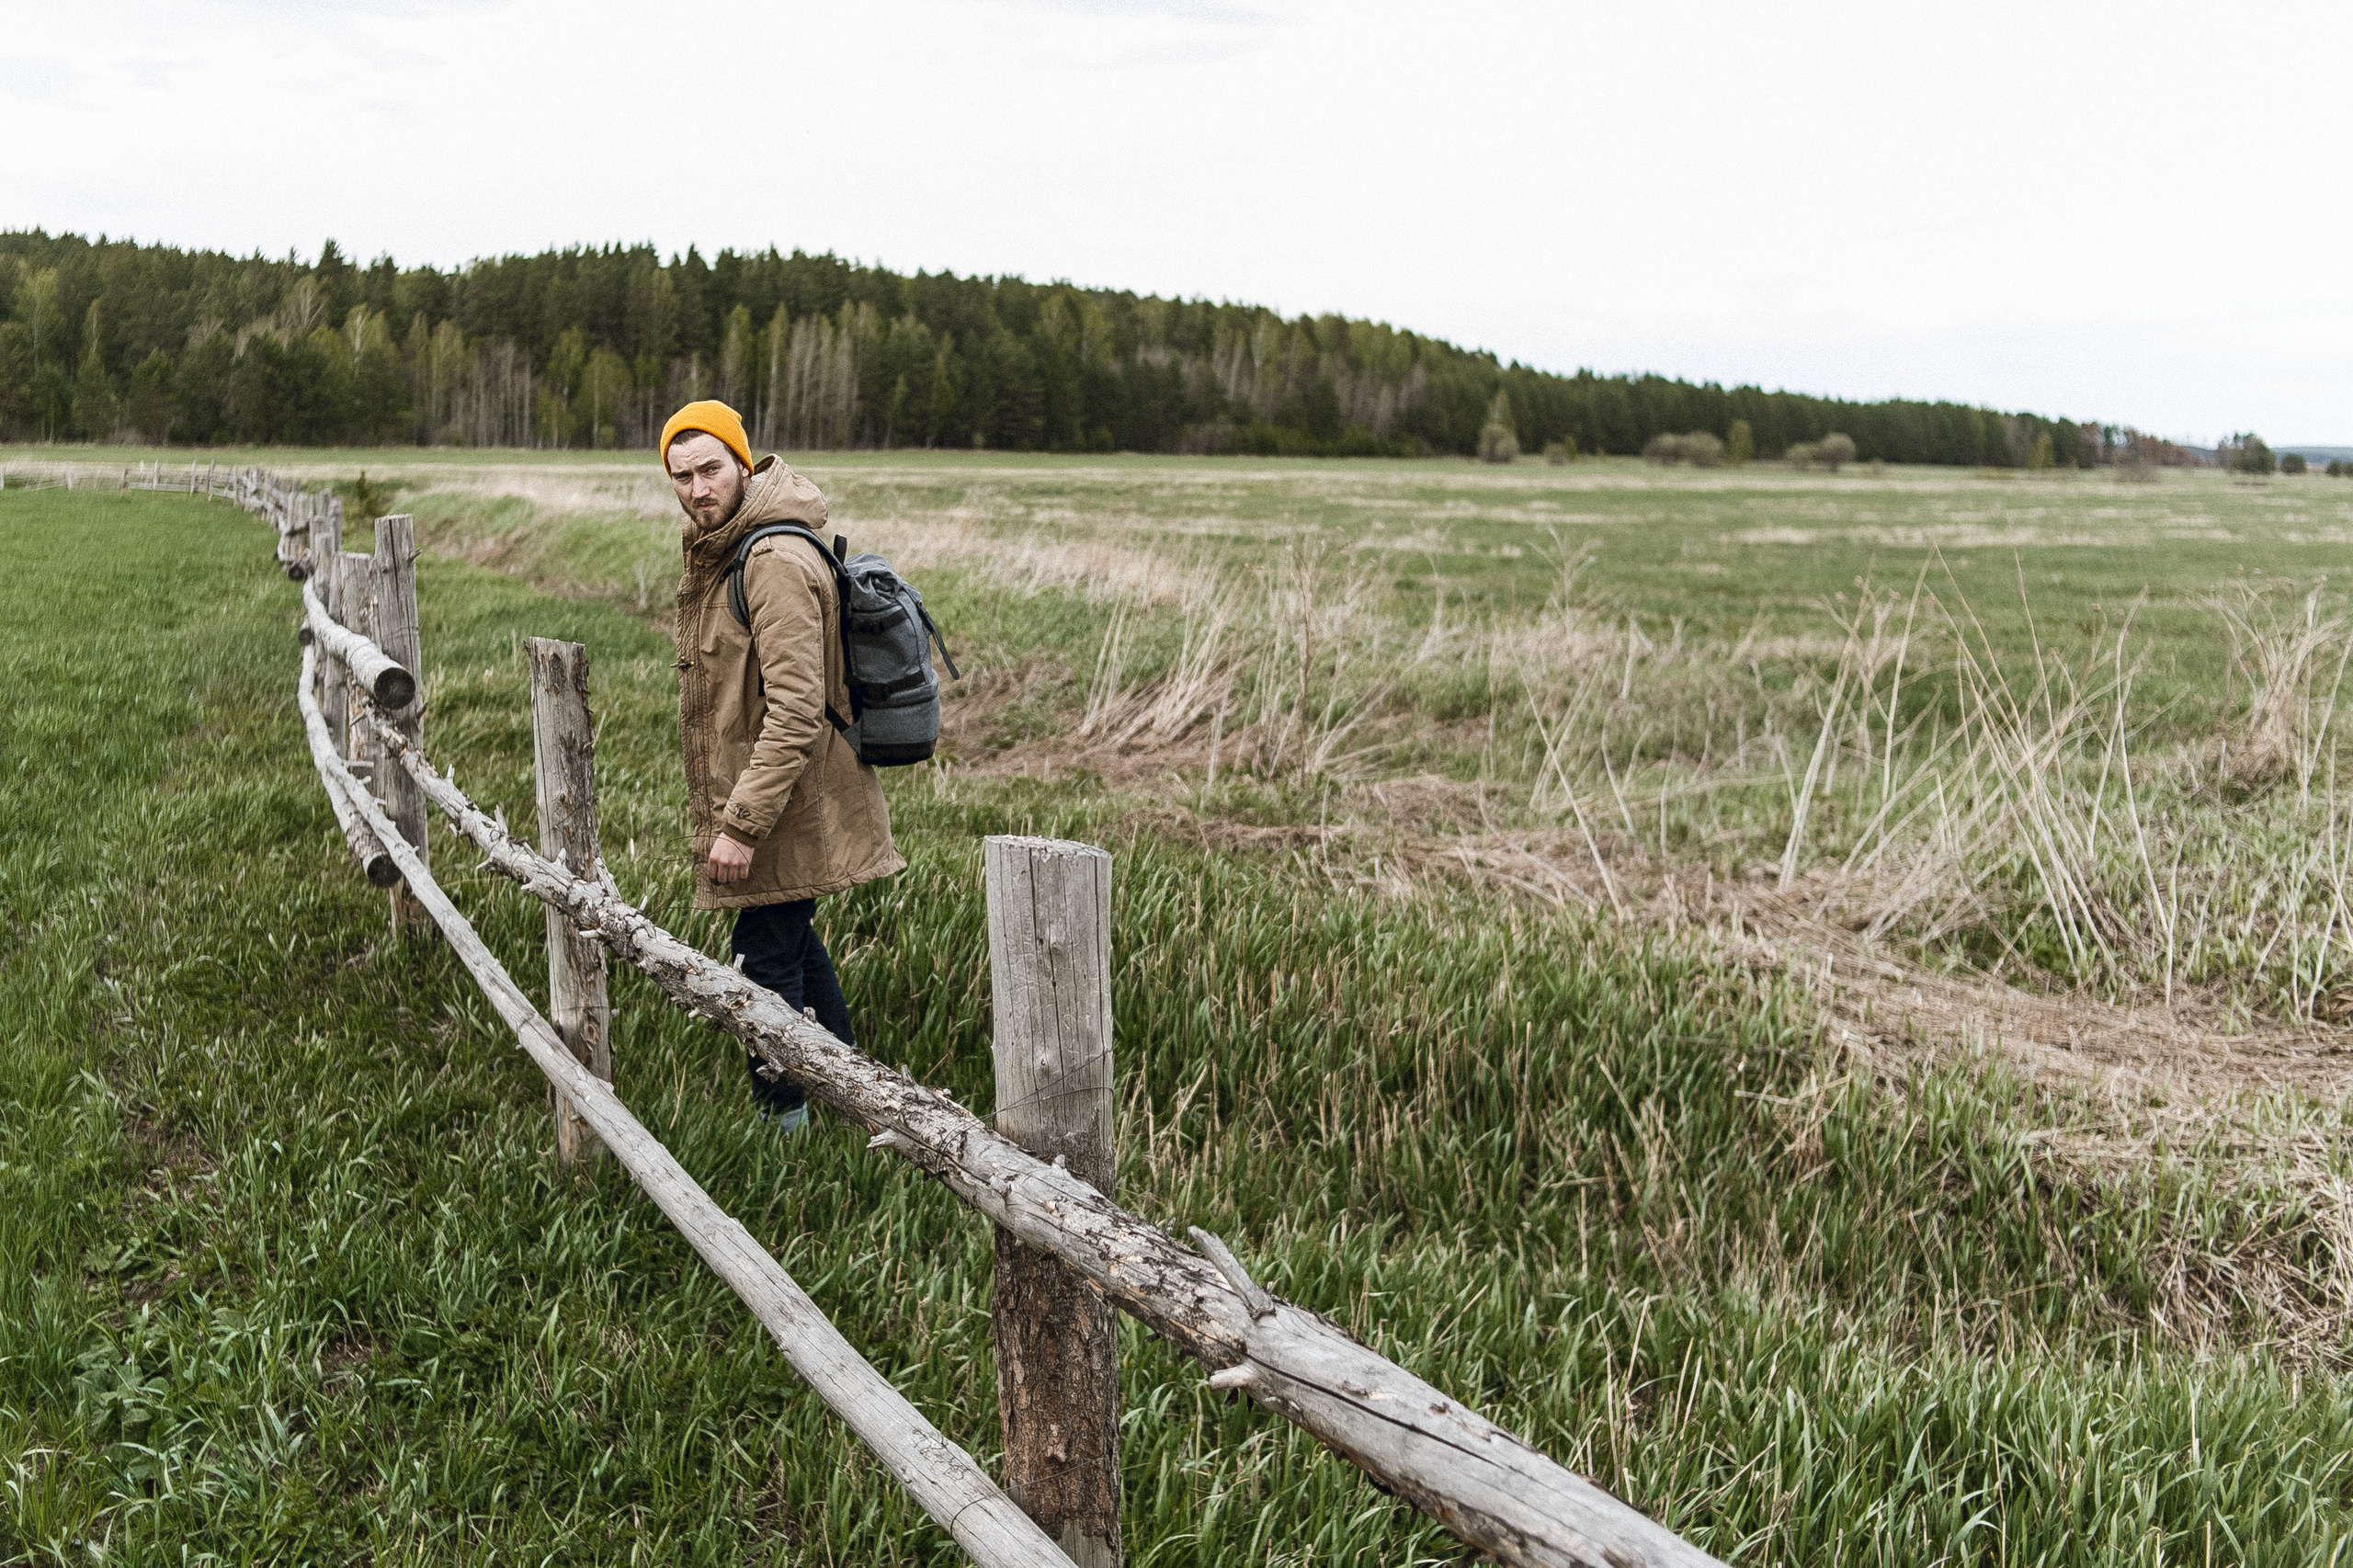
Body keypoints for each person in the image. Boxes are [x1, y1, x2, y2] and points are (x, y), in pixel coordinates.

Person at [662, 400, 904, 1133]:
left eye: (710, 469)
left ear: (743, 462)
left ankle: (785, 1132)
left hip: (780, 808)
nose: (699, 489)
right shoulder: (736, 548)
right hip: (777, 802)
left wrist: (739, 825)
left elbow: (796, 713)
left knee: (763, 969)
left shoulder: (770, 560)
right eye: (682, 476)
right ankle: (854, 1101)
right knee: (790, 943)